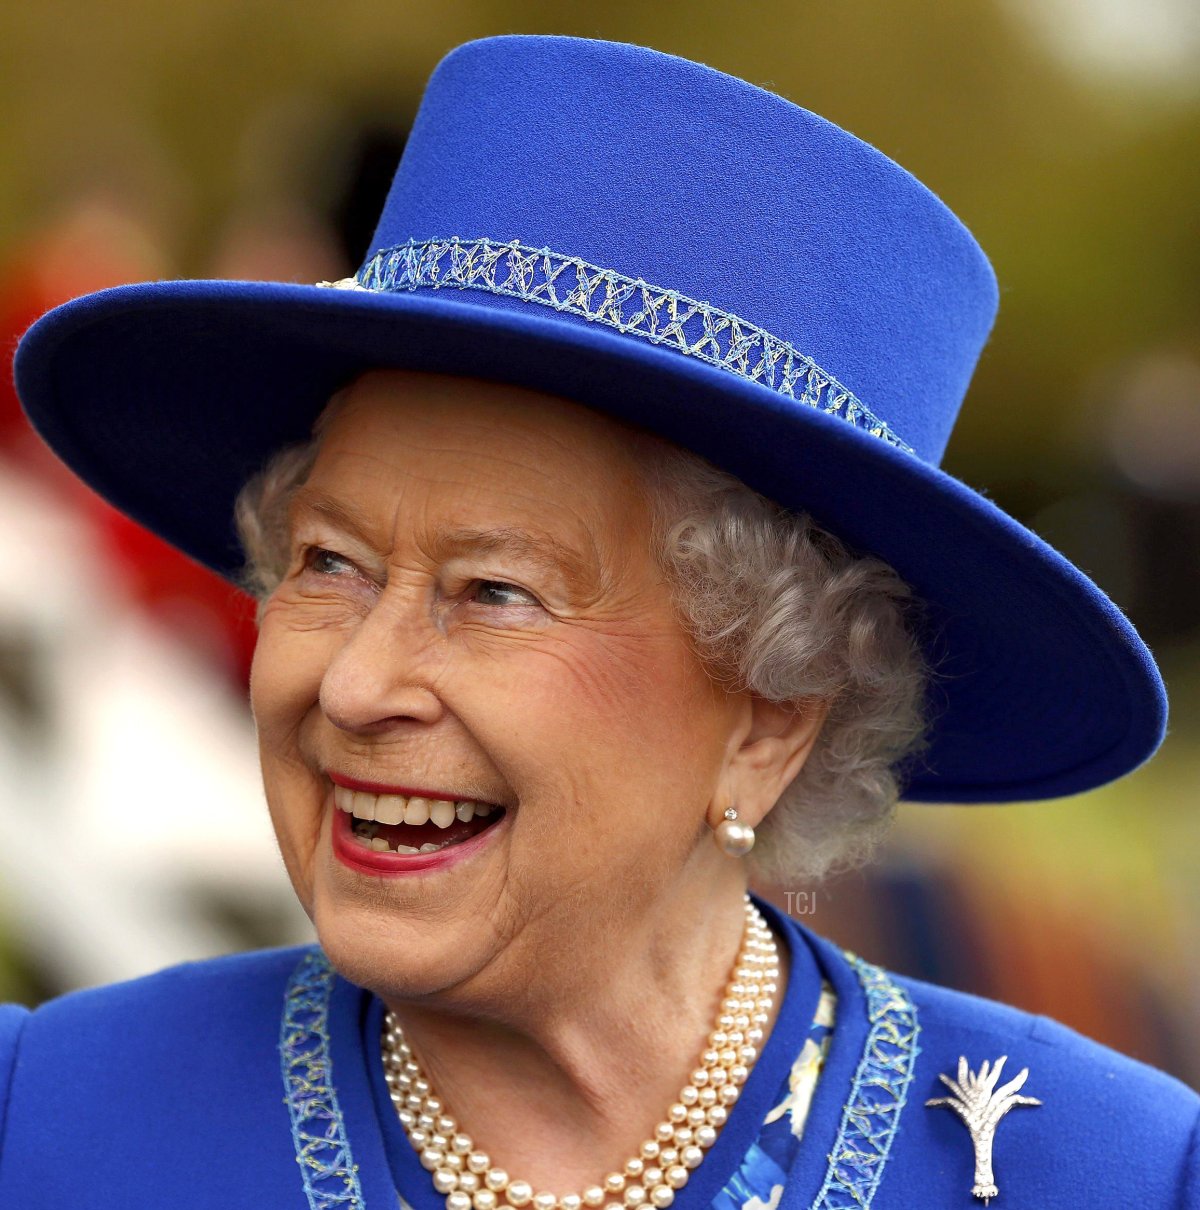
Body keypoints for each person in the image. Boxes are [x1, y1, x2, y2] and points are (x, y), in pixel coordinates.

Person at [3, 34, 1196, 1210]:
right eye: (329, 563)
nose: (358, 685)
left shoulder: (1117, 1177)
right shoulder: (42, 1125)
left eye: (495, 592)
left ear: (769, 716)